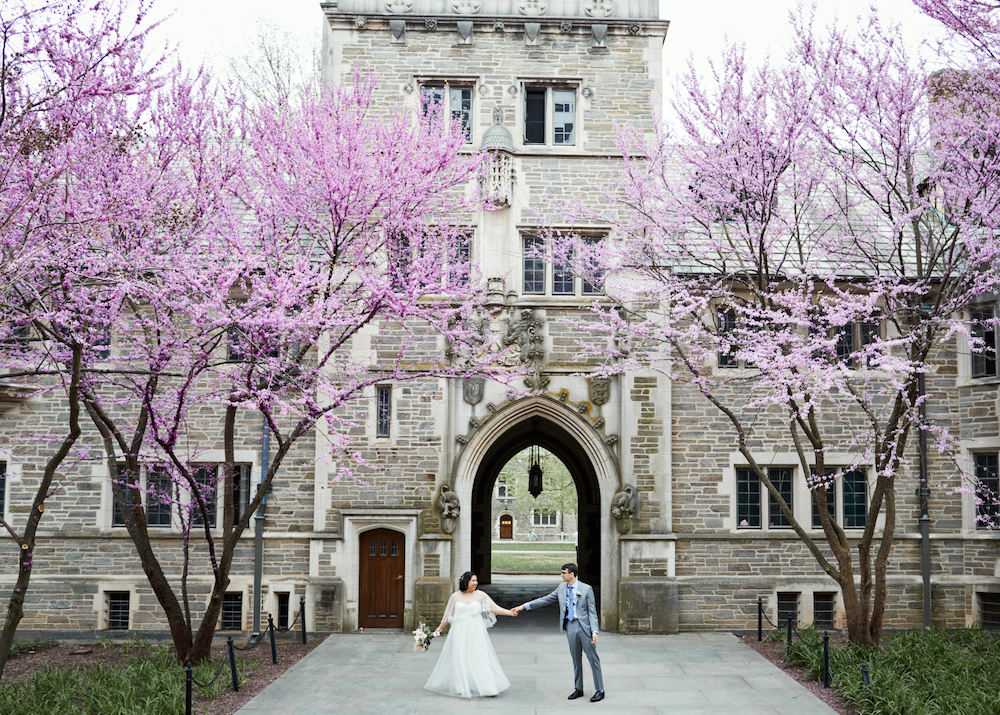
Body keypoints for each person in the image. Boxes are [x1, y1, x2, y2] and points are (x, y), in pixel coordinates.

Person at [512, 563, 605, 702]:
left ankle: (600, 690)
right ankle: (578, 688)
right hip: (571, 626)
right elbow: (545, 599)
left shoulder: (586, 589)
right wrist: (523, 606)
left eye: (563, 573)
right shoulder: (562, 588)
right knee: (575, 659)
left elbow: (592, 612)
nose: (561, 575)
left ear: (571, 574)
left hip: (585, 627)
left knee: (593, 659)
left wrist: (595, 631)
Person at [424, 571, 518, 698]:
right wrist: (439, 629)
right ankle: (461, 686)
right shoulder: (455, 596)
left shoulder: (481, 595)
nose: (476, 583)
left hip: (476, 629)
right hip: (459, 629)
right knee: (460, 655)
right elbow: (448, 615)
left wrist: (509, 612)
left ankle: (487, 687)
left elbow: (494, 608)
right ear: (465, 581)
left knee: (480, 655)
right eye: (473, 580)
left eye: (476, 580)